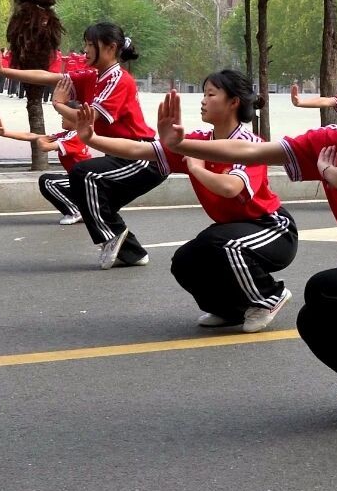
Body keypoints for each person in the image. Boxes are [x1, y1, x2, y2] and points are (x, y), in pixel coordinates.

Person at [159, 36, 337, 424]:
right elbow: (252, 151)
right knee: (315, 310)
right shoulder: (334, 139)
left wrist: (330, 172)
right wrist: (183, 147)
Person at [75, 70, 299, 332]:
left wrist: (197, 169)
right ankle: (230, 310)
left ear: (233, 102)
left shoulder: (249, 144)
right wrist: (91, 138)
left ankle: (270, 297)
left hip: (273, 230)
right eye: (203, 94)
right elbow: (140, 150)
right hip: (233, 233)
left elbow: (231, 187)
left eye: (211, 94)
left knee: (219, 243)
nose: (203, 100)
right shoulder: (198, 142)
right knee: (186, 260)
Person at [0, 25, 163, 269]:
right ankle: (134, 253)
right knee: (98, 201)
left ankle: (111, 237)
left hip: (142, 157)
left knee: (84, 174)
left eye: (90, 44)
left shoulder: (119, 80)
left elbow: (90, 119)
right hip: (121, 155)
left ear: (110, 48)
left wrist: (59, 105)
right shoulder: (93, 76)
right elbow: (49, 77)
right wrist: (4, 71)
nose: (85, 49)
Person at [0, 114, 92, 225]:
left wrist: (41, 140)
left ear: (75, 119)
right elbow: (32, 136)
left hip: (85, 181)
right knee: (48, 181)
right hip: (79, 179)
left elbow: (44, 146)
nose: (61, 117)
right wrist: (5, 133)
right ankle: (81, 210)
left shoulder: (76, 136)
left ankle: (77, 212)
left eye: (65, 115)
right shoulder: (67, 135)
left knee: (47, 181)